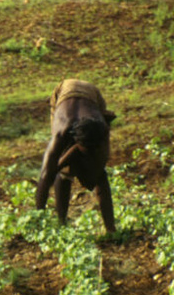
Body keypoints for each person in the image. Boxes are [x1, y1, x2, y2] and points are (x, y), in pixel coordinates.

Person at [35, 78, 117, 233]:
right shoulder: (61, 133)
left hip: (92, 95)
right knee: (64, 173)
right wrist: (38, 219)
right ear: (76, 140)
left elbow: (98, 174)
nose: (92, 152)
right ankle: (62, 222)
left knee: (100, 175)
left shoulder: (102, 130)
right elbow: (46, 176)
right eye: (86, 149)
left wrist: (91, 170)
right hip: (65, 92)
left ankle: (111, 228)